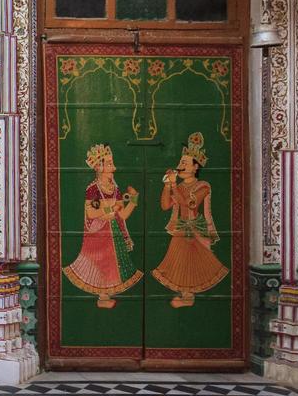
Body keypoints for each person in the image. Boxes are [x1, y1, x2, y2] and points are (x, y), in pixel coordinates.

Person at [152, 132, 228, 307]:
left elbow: (190, 204)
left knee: (194, 263)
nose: (180, 167)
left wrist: (173, 186)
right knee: (179, 263)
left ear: (196, 167)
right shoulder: (178, 186)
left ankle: (188, 297)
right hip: (181, 229)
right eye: (180, 163)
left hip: (196, 229)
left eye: (184, 164)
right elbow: (165, 205)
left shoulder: (203, 186)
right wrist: (167, 186)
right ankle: (186, 295)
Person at [62, 143, 141, 308]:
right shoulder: (92, 189)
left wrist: (133, 199)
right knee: (100, 264)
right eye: (110, 164)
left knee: (112, 266)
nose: (114, 167)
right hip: (98, 233)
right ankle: (102, 298)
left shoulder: (115, 189)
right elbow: (91, 213)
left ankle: (105, 297)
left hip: (114, 233)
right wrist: (110, 207)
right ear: (99, 167)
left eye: (112, 163)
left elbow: (123, 215)